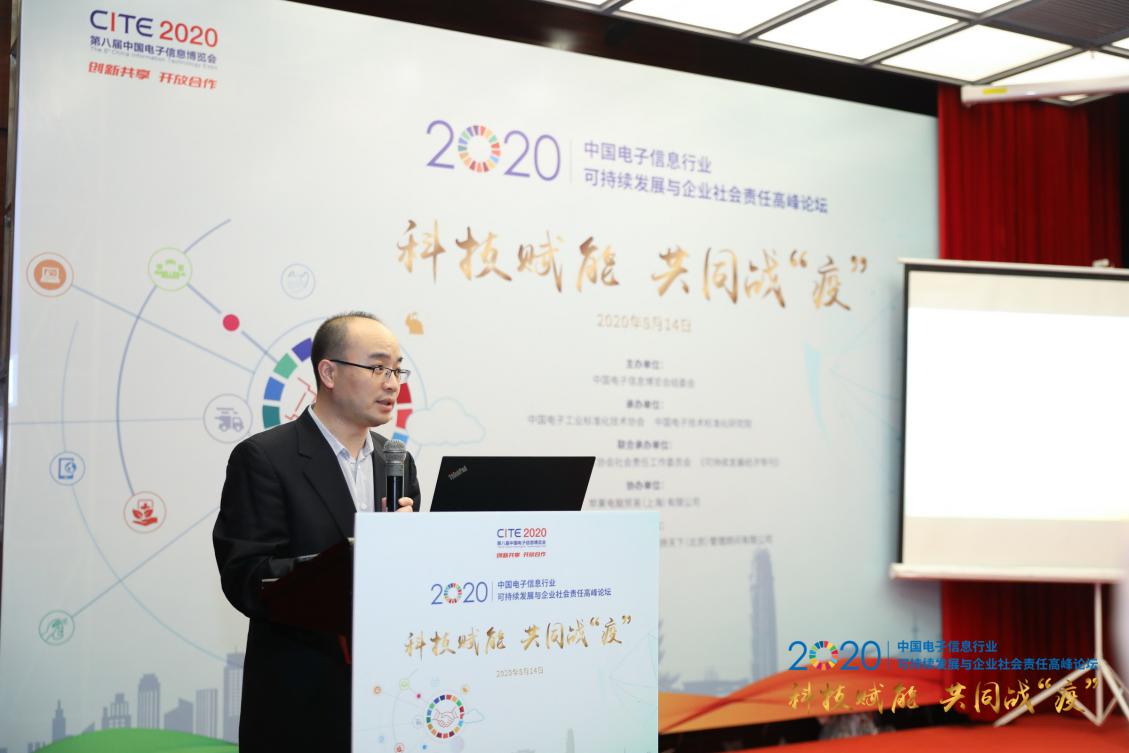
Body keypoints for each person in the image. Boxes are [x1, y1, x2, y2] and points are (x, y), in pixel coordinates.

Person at [213, 312, 421, 752]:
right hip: (303, 702)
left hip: (391, 699)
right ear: (328, 372)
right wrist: (355, 557)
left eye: (397, 370)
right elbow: (246, 577)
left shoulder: (397, 462)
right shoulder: (265, 458)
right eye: (378, 368)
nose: (392, 384)